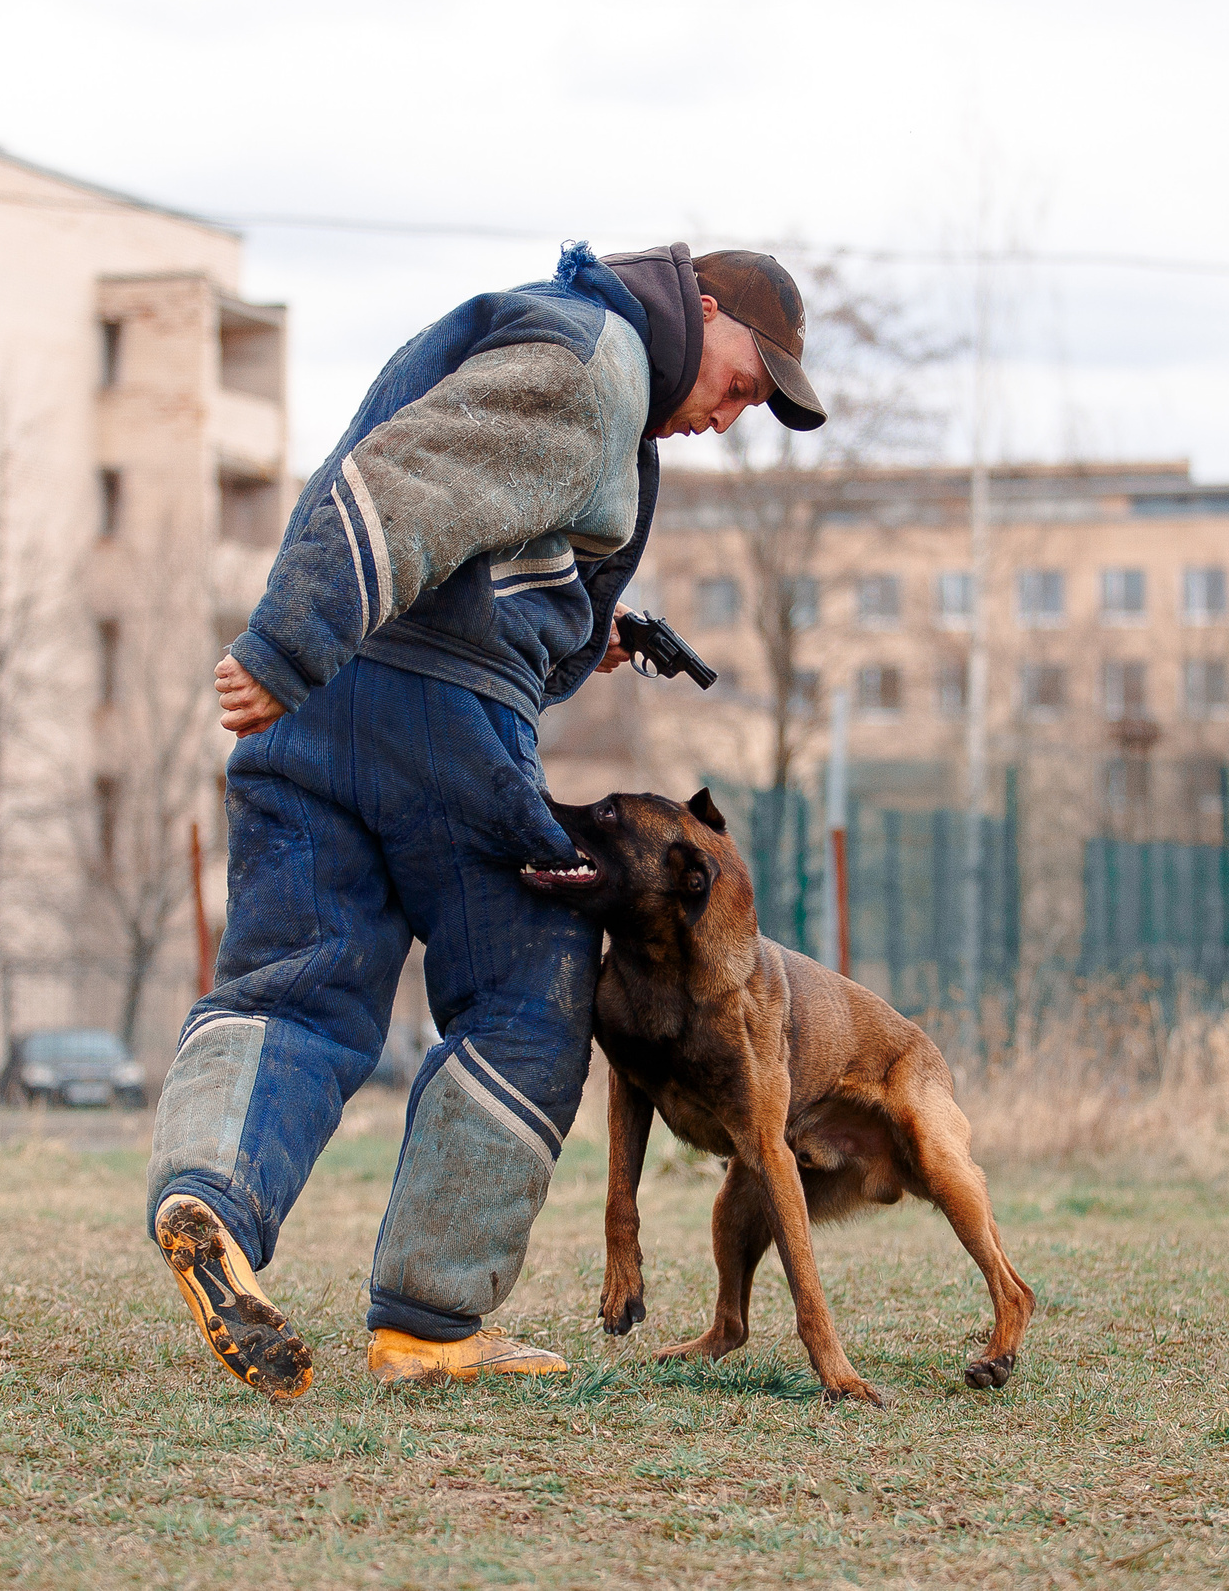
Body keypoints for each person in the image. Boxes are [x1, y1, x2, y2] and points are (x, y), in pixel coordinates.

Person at [147, 241, 825, 1395]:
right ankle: (430, 1319)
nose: (743, 408)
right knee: (531, 992)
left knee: (295, 984)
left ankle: (207, 1198)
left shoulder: (562, 345)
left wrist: (580, 632)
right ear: (702, 309)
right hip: (426, 717)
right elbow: (408, 479)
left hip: (321, 718)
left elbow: (474, 533)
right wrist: (283, 644)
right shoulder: (593, 361)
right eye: (751, 375)